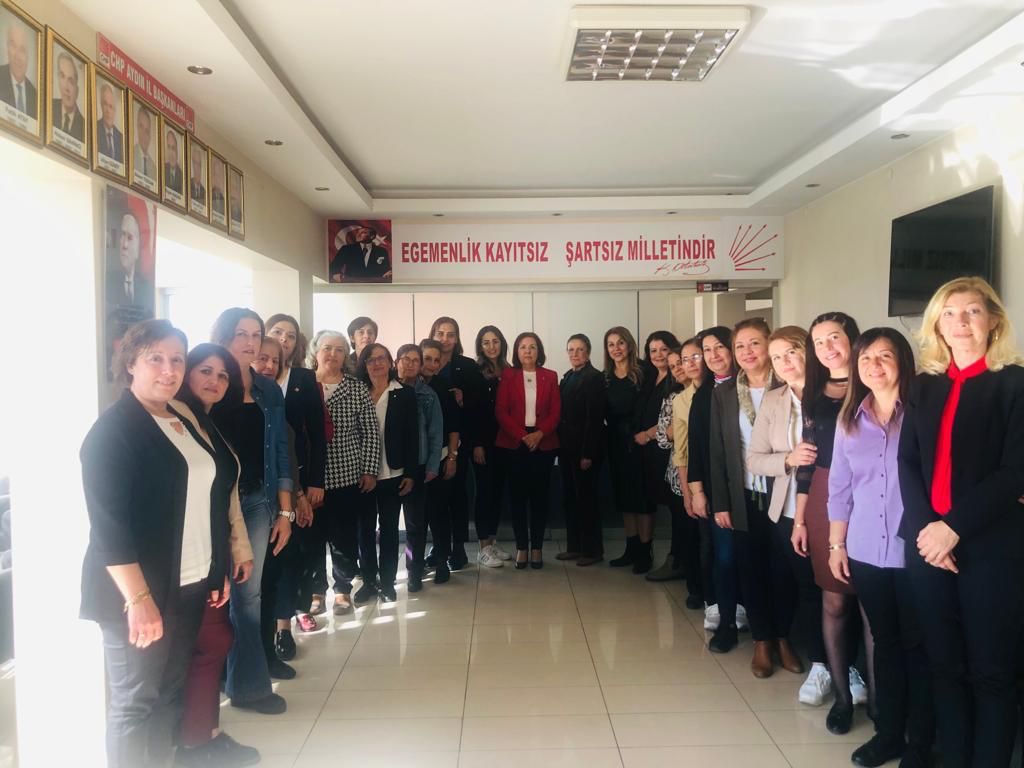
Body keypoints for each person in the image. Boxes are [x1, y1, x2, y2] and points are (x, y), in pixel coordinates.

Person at [79, 320, 235, 767]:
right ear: (131, 363)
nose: (169, 370)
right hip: (138, 594)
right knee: (135, 701)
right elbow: (109, 529)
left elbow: (208, 500)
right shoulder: (113, 431)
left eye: (177, 360)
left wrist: (216, 567)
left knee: (170, 691)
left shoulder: (180, 420)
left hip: (188, 584)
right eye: (156, 359)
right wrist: (139, 599)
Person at [898, 276, 1024, 768]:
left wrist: (952, 529)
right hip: (928, 548)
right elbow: (908, 462)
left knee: (992, 671)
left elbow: (1015, 470)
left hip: (991, 548)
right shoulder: (924, 385)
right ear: (937, 325)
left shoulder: (1014, 383)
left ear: (993, 320)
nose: (960, 322)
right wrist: (928, 531)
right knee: (943, 665)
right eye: (948, 313)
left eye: (972, 311)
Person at [828, 328, 935, 768]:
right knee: (885, 643)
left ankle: (922, 742)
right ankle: (889, 734)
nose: (874, 366)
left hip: (918, 551)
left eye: (884, 356)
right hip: (866, 549)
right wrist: (836, 544)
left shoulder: (924, 413)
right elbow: (840, 487)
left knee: (920, 646)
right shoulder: (850, 420)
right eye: (865, 358)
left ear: (902, 362)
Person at [174, 343, 260, 768]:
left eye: (223, 375)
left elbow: (227, 497)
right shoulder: (174, 418)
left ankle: (203, 736)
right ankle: (197, 741)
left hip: (213, 552)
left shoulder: (205, 423)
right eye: (205, 371)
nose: (215, 380)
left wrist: (239, 550)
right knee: (211, 642)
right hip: (186, 557)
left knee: (211, 642)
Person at [745, 327, 834, 714]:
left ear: (808, 352)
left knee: (836, 592)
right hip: (786, 511)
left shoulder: (833, 393)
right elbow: (754, 459)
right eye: (777, 356)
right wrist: (788, 459)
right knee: (806, 587)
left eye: (791, 352)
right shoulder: (774, 400)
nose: (784, 362)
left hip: (833, 509)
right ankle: (818, 662)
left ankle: (843, 665)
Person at [209, 308, 294, 714]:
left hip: (257, 502)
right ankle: (214, 680)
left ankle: (249, 688)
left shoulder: (268, 390)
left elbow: (280, 452)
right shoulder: (207, 383)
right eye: (240, 333)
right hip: (213, 506)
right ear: (222, 335)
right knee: (214, 595)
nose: (249, 342)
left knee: (248, 596)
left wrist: (285, 512)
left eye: (256, 334)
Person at [709, 318, 800, 679]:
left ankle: (783, 638)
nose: (747, 352)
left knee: (783, 569)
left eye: (755, 344)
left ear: (769, 345)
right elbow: (718, 450)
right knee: (750, 568)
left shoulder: (789, 385)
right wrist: (721, 502)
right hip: (744, 494)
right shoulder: (724, 393)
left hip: (784, 494)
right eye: (740, 346)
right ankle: (762, 640)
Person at [796, 312, 871, 727]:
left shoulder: (875, 382)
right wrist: (800, 518)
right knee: (835, 599)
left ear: (852, 339)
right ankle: (842, 698)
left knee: (873, 606)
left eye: (835, 337)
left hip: (875, 494)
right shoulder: (814, 392)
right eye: (819, 341)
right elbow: (807, 461)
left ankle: (880, 704)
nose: (827, 347)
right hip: (826, 494)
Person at [309, 330, 381, 613]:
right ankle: (316, 591)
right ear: (316, 351)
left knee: (344, 538)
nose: (333, 354)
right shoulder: (303, 384)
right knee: (312, 538)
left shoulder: (356, 387)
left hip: (346, 474)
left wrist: (370, 470)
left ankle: (342, 589)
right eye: (327, 348)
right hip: (309, 477)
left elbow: (370, 432)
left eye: (339, 350)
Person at [266, 314, 326, 638]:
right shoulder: (248, 381)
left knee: (296, 549)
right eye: (277, 332)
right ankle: (271, 622)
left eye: (290, 335)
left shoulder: (303, 377)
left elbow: (316, 433)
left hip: (298, 477)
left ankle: (290, 619)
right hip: (261, 482)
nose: (283, 339)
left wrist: (315, 481)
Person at [688, 327, 746, 640]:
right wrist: (697, 491)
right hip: (716, 489)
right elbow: (696, 448)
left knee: (751, 556)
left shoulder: (750, 385)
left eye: (719, 347)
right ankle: (726, 621)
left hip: (752, 487)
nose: (713, 355)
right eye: (706, 351)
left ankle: (753, 615)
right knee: (724, 555)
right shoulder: (704, 394)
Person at [354, 343, 418, 603]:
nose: (377, 363)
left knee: (389, 529)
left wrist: (411, 473)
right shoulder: (357, 392)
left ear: (391, 362)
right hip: (361, 474)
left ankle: (388, 582)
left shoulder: (404, 393)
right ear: (364, 365)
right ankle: (369, 580)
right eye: (371, 359)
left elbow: (413, 436)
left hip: (394, 472)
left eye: (382, 358)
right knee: (365, 530)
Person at [495, 332, 561, 569]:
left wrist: (539, 434)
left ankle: (537, 548)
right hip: (515, 443)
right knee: (518, 498)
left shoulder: (550, 376)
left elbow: (556, 412)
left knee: (540, 498)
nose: (528, 351)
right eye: (523, 347)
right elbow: (501, 411)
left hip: (543, 443)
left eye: (532, 347)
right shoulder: (508, 376)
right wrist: (523, 435)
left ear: (539, 351)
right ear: (516, 351)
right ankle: (522, 547)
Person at [429, 316, 484, 570]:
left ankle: (458, 547)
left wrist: (463, 398)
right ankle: (439, 546)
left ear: (457, 338)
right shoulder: (424, 362)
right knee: (434, 500)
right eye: (440, 333)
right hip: (429, 445)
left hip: (458, 441)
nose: (445, 339)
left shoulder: (467, 366)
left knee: (457, 496)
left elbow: (479, 405)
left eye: (450, 334)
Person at [651, 342, 703, 604]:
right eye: (672, 367)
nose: (678, 369)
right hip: (678, 476)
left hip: (706, 472)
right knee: (686, 531)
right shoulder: (674, 398)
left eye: (680, 363)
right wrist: (671, 430)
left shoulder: (709, 393)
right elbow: (663, 438)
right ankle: (694, 586)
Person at [396, 344, 443, 592]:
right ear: (397, 362)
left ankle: (414, 571)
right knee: (387, 525)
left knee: (415, 524)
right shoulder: (386, 389)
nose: (410, 364)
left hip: (419, 466)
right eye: (406, 359)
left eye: (416, 360)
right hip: (388, 467)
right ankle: (385, 574)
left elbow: (436, 434)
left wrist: (433, 466)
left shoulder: (428, 395)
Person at [557, 333, 606, 566]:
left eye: (579, 349)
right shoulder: (568, 376)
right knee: (570, 498)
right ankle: (574, 547)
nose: (575, 354)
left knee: (586, 500)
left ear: (588, 352)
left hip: (584, 450)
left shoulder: (594, 377)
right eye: (571, 349)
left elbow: (593, 419)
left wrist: (587, 453)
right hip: (566, 448)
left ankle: (592, 551)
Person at [603, 327, 646, 569]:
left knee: (642, 499)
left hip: (640, 442)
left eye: (620, 343)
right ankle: (631, 548)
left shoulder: (644, 372)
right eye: (611, 344)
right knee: (624, 498)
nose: (616, 348)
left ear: (629, 345)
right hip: (616, 443)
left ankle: (645, 552)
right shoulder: (606, 377)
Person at [471, 326, 513, 567]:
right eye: (486, 342)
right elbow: (475, 411)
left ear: (502, 343)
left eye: (495, 341)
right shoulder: (476, 372)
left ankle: (493, 542)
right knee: (484, 493)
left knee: (497, 492)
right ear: (480, 346)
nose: (491, 346)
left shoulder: (509, 370)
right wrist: (477, 444)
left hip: (505, 441)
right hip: (484, 443)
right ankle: (483, 547)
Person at [420, 339, 461, 584]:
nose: (432, 364)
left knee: (439, 513)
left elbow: (454, 426)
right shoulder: (404, 385)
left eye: (437, 360)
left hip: (442, 456)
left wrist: (452, 457)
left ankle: (442, 560)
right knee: (417, 517)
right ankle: (415, 564)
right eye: (427, 358)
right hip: (413, 462)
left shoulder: (445, 388)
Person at [106, 211, 153, 309]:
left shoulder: (146, 288)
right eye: (122, 235)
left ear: (139, 246)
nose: (124, 245)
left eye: (130, 238)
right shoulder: (108, 283)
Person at [0, 22, 37, 118]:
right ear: (7, 48)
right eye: (13, 46)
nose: (18, 56)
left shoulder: (35, 96)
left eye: (22, 50)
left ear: (28, 55)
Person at [52, 50, 84, 140]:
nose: (66, 87)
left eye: (71, 81)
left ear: (77, 91)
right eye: (62, 76)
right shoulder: (48, 107)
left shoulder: (84, 127)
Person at [95, 82, 123, 163]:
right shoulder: (94, 129)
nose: (108, 111)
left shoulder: (121, 138)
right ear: (101, 105)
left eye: (111, 106)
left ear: (115, 110)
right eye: (105, 104)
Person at [133, 105, 156, 184]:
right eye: (141, 127)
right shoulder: (130, 155)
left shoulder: (154, 168)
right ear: (137, 127)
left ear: (150, 136)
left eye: (147, 130)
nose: (144, 134)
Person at [164, 129, 183, 195]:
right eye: (168, 147)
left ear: (177, 151)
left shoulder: (182, 177)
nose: (171, 153)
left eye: (173, 148)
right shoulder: (162, 169)